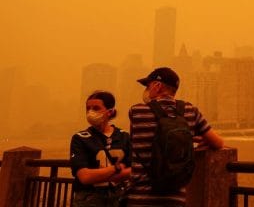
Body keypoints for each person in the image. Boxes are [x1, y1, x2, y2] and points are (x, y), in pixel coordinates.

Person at [126, 67, 225, 206]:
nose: (146, 91)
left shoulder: (136, 111)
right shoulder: (190, 111)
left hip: (140, 198)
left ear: (157, 86)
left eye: (148, 86)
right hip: (175, 198)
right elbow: (218, 143)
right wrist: (200, 139)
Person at [70, 90, 132, 207]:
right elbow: (85, 177)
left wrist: (98, 176)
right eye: (88, 108)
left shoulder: (124, 137)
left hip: (119, 198)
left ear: (110, 111)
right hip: (88, 199)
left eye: (96, 108)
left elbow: (133, 171)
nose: (90, 112)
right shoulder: (80, 138)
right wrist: (116, 168)